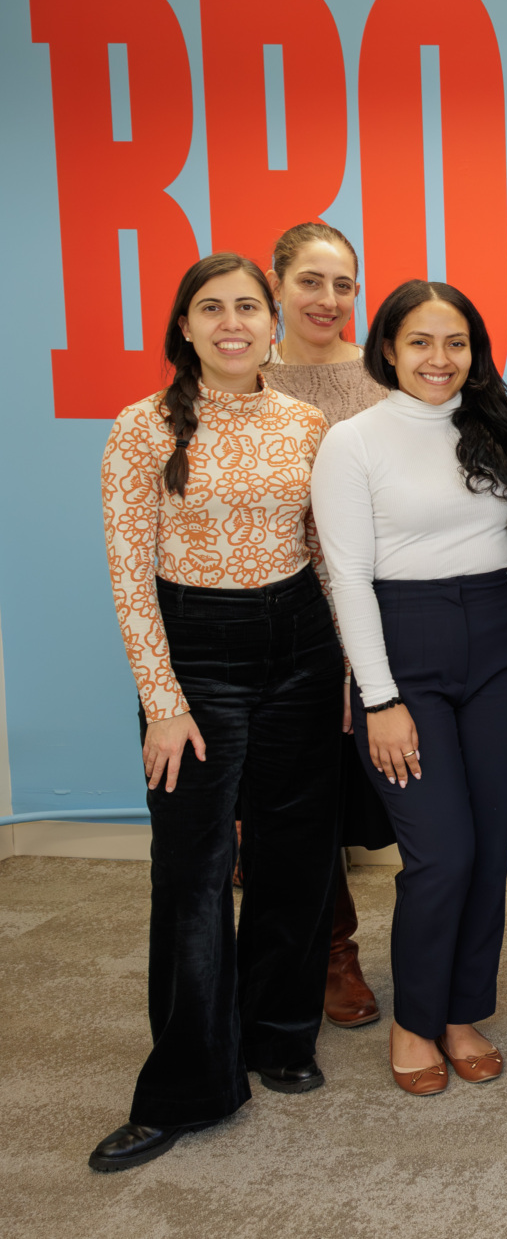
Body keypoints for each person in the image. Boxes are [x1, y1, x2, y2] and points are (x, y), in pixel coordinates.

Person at [90, 254, 344, 1172]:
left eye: (248, 306)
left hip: (303, 649)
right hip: (197, 655)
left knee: (297, 851)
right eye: (212, 307)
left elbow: (323, 552)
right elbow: (129, 574)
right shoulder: (139, 428)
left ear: (273, 322)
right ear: (186, 326)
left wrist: (348, 669)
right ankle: (187, 1082)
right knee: (194, 874)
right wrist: (162, 701)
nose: (232, 321)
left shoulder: (306, 422)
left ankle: (278, 1033)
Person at [311, 279, 507, 1096]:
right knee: (440, 853)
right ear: (387, 347)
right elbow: (345, 576)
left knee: (487, 849)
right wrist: (377, 698)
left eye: (456, 343)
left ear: (476, 353)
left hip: (499, 643)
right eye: (421, 341)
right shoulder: (353, 441)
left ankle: (460, 1013)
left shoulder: (495, 429)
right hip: (402, 640)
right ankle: (416, 1020)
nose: (439, 359)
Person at [259, 220, 395, 1031]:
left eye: (344, 283)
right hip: (277, 616)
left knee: (357, 791)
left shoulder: (384, 379)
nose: (329, 298)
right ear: (276, 283)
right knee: (293, 798)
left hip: (371, 611)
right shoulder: (244, 372)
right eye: (311, 280)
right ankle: (333, 950)